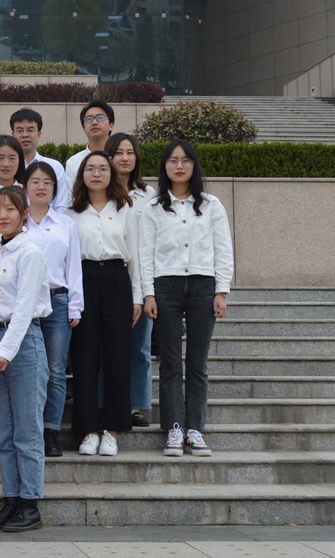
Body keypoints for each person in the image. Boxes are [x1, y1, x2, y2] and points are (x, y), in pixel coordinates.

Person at [140, 140, 234, 458]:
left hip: (202, 285)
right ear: (164, 166)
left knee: (197, 362)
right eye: (172, 160)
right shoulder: (153, 208)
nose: (179, 166)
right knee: (169, 362)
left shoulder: (211, 205)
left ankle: (195, 429)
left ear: (194, 165)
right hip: (165, 286)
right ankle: (174, 428)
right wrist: (148, 293)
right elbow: (145, 253)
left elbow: (223, 248)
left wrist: (221, 291)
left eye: (185, 160)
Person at [0, 186, 50, 532]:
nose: (2, 215)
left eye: (10, 209)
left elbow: (23, 309)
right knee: (2, 430)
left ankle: (30, 502)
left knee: (27, 429)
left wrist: (5, 351)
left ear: (24, 215)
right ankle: (11, 498)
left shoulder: (30, 252)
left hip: (22, 343)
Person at [63, 152, 142, 458]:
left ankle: (112, 429)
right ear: (81, 175)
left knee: (117, 356)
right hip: (82, 280)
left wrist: (137, 296)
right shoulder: (71, 212)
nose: (96, 174)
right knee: (83, 357)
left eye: (102, 169)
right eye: (90, 169)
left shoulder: (124, 209)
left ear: (111, 174)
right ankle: (87, 429)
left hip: (116, 279)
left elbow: (135, 255)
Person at [23, 161, 84, 457]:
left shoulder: (65, 224)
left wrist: (76, 306)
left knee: (56, 371)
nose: (41, 187)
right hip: (24, 304)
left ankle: (51, 432)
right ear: (25, 186)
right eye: (35, 181)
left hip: (58, 302)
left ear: (54, 189)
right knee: (28, 369)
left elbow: (74, 267)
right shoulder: (17, 221)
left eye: (47, 182)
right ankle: (29, 430)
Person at [106, 133, 157, 428]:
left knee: (139, 346)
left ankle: (136, 404)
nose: (125, 158)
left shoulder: (148, 195)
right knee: (109, 347)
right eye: (119, 153)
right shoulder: (101, 193)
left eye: (130, 152)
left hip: (143, 275)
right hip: (112, 275)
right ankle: (108, 402)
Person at [10, 108, 68, 209]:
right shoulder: (7, 167)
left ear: (39, 134)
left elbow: (61, 206)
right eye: (20, 130)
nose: (25, 135)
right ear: (13, 135)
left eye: (30, 130)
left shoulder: (54, 167)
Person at [64, 100, 114, 194]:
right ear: (83, 128)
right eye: (88, 119)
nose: (94, 122)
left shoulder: (119, 158)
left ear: (111, 125)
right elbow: (71, 197)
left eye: (100, 117)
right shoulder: (73, 162)